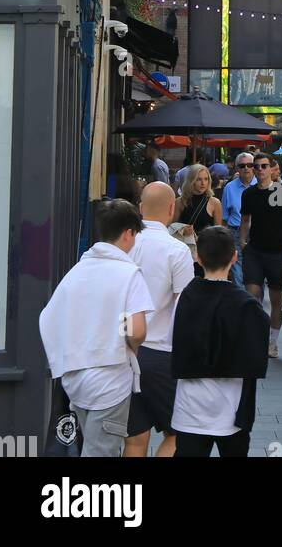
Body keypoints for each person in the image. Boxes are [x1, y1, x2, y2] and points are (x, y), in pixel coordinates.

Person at [39, 200, 153, 458]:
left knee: (90, 447)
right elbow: (136, 330)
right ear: (128, 233)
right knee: (101, 452)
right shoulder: (129, 273)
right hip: (110, 378)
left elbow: (48, 318)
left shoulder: (78, 271)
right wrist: (129, 346)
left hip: (75, 377)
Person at [171, 226, 269, 458]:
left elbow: (172, 344)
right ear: (234, 256)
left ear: (198, 257)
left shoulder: (185, 298)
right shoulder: (247, 305)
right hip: (233, 409)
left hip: (190, 409)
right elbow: (256, 357)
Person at [123, 182, 195, 459]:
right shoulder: (177, 251)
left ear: (140, 209)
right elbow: (182, 310)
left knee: (135, 439)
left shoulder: (124, 245)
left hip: (126, 351)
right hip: (162, 353)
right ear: (171, 208)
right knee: (182, 432)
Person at [240, 151, 282, 359]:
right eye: (256, 166)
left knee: (276, 299)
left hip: (278, 253)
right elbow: (245, 220)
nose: (259, 170)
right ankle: (255, 336)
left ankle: (272, 341)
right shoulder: (249, 194)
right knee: (252, 295)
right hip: (255, 251)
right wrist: (243, 243)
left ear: (272, 168)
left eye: (263, 166)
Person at [174, 164, 222, 270]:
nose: (203, 183)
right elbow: (172, 227)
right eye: (199, 179)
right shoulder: (180, 202)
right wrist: (182, 229)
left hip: (206, 251)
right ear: (191, 181)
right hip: (185, 251)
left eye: (206, 179)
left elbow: (218, 232)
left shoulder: (215, 202)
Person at [221, 152, 256, 288]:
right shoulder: (229, 188)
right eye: (242, 166)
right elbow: (224, 216)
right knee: (237, 273)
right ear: (236, 168)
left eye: (249, 165)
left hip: (257, 231)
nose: (246, 168)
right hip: (235, 231)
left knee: (257, 270)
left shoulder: (262, 184)